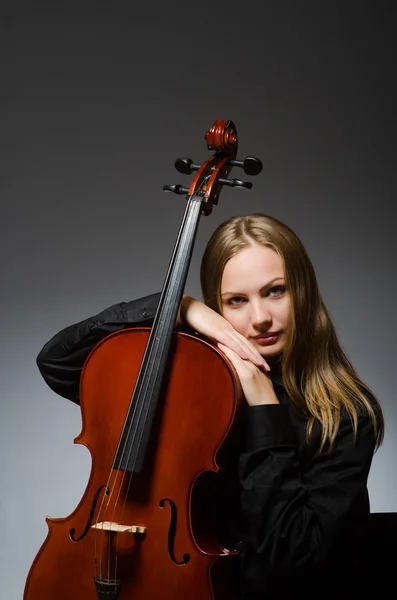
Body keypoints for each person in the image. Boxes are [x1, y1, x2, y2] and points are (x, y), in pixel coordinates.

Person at [36, 213, 384, 599]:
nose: (260, 319)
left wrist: (265, 406)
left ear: (303, 290)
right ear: (217, 305)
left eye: (275, 291)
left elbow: (292, 559)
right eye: (236, 300)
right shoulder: (192, 386)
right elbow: (57, 362)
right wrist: (176, 309)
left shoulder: (345, 415)